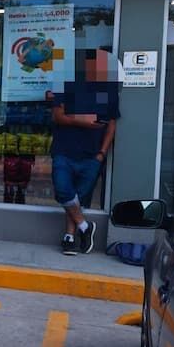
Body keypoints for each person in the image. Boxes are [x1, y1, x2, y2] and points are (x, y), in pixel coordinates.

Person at [48, 48, 120, 255]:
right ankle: (85, 227)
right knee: (63, 191)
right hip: (64, 150)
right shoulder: (65, 83)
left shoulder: (109, 90)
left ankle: (69, 237)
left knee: (76, 198)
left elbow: (112, 124)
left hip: (92, 155)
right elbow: (57, 116)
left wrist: (102, 154)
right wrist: (83, 121)